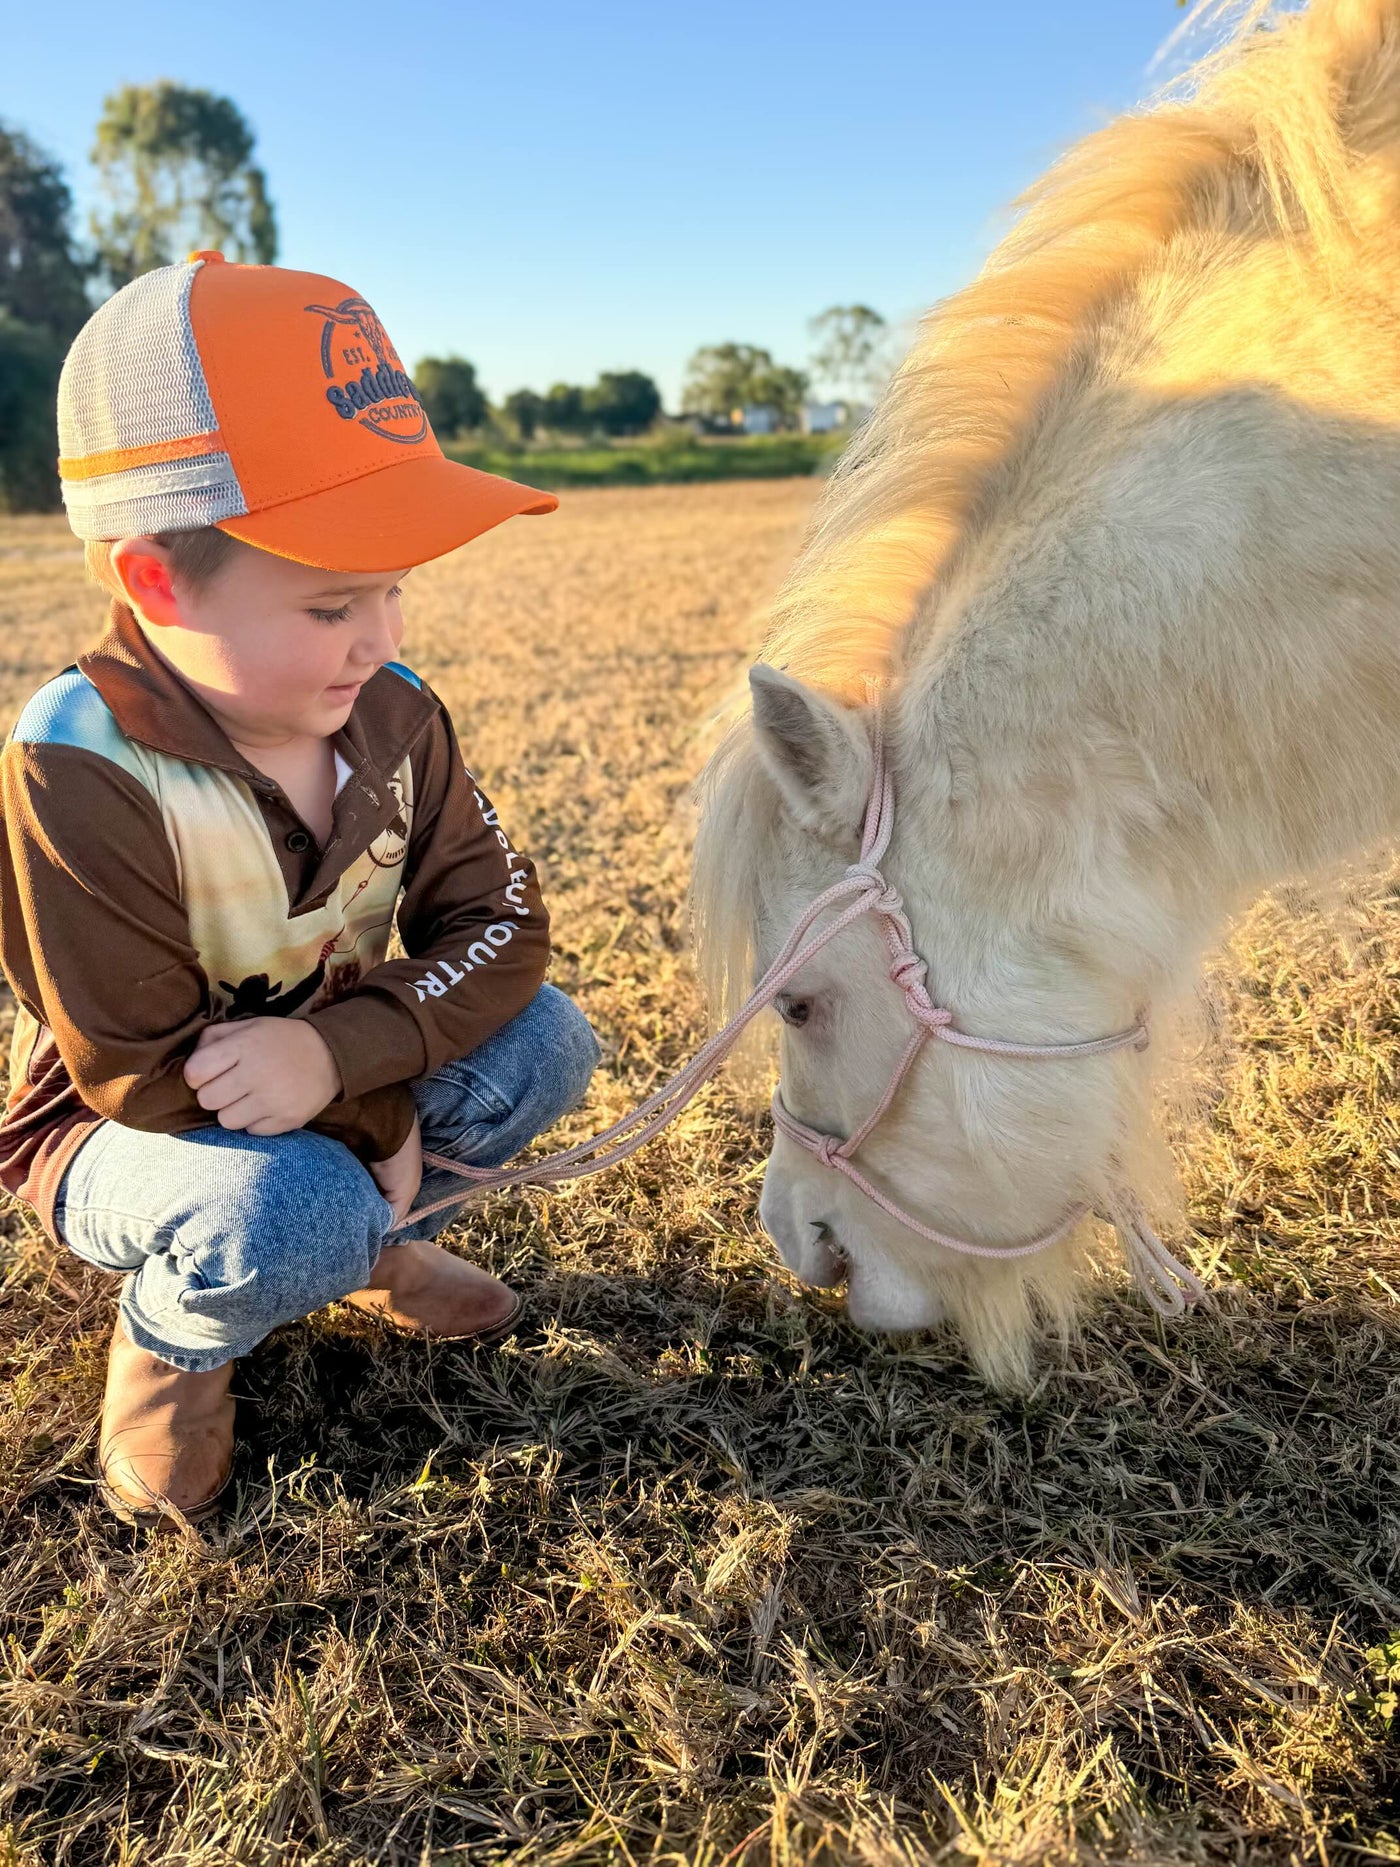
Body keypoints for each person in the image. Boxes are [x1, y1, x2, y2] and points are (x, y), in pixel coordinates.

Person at [0, 252, 599, 1528]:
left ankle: (361, 1245)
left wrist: (345, 1059)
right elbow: (139, 1069)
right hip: (137, 1131)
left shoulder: (393, 711)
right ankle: (176, 1343)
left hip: (319, 1071)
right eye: (333, 601)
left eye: (392, 587)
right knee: (289, 1206)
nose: (381, 636)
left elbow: (501, 925)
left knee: (548, 1045)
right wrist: (370, 1112)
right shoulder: (76, 766)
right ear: (155, 582)